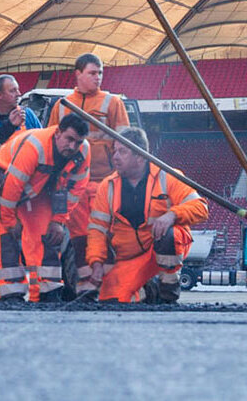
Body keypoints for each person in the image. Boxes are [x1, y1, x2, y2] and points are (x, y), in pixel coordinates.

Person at [86, 126, 207, 304]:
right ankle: (149, 289)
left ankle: (168, 289)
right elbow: (97, 229)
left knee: (170, 235)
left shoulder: (168, 176)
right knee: (112, 299)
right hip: (130, 259)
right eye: (114, 151)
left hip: (160, 250)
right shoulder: (107, 186)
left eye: (122, 151)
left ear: (140, 156)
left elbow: (201, 208)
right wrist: (96, 262)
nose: (115, 157)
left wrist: (172, 215)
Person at [47, 53, 129, 297]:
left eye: (100, 73)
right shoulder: (61, 105)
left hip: (103, 181)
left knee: (105, 233)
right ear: (78, 74)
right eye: (93, 73)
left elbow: (124, 143)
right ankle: (86, 286)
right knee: (79, 236)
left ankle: (111, 286)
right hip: (72, 183)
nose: (98, 77)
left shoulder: (113, 103)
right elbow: (52, 141)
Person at [0, 116, 90, 301]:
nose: (73, 147)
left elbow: (75, 191)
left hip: (38, 186)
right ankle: (9, 292)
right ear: (57, 133)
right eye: (69, 139)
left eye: (78, 142)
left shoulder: (83, 152)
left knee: (48, 234)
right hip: (2, 173)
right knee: (5, 234)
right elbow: (11, 189)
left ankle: (47, 290)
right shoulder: (35, 148)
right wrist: (11, 222)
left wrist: (58, 221)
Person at [0, 74, 42, 143]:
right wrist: (10, 126)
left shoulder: (28, 114)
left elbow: (42, 141)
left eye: (17, 90)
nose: (18, 94)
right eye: (13, 91)